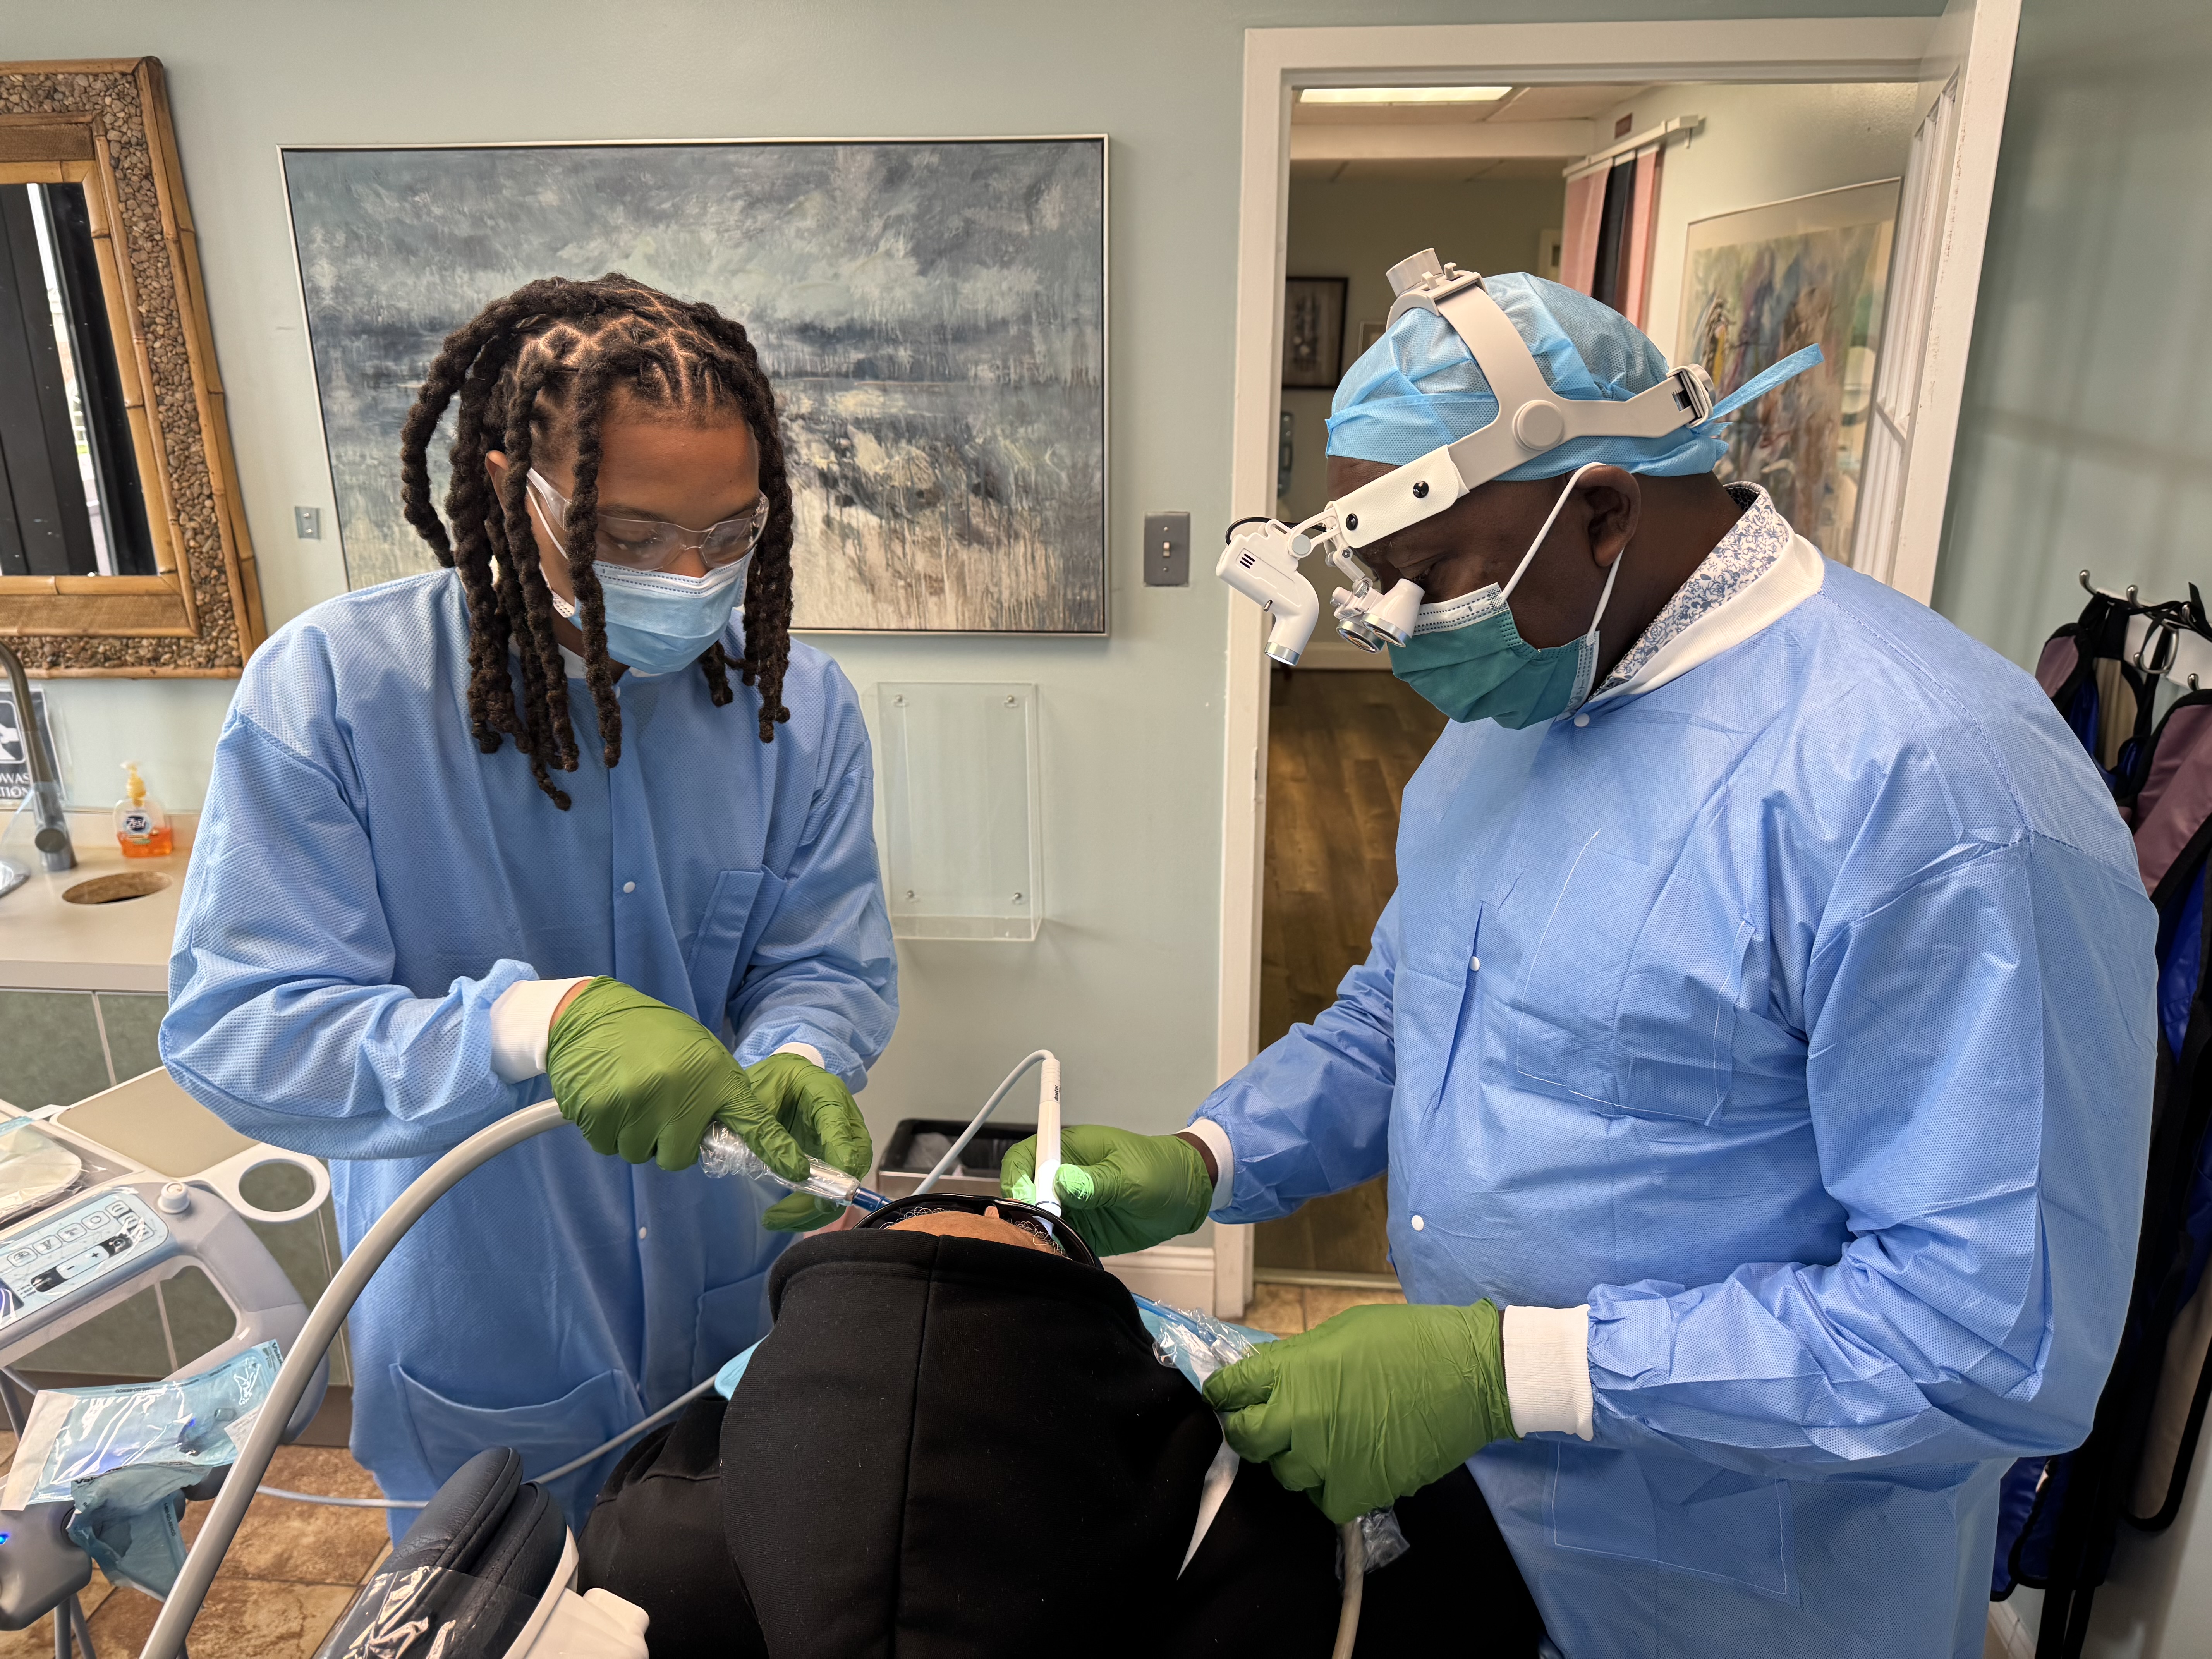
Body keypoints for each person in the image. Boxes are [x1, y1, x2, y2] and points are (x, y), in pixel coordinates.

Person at [1002, 267, 2159, 1657]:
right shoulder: (1537, 678)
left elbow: (1985, 1338)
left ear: (1601, 507)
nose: (1396, 626)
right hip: (1491, 1537)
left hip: (1755, 1584)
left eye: (1424, 577)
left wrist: (1519, 1368)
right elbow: (1408, 1010)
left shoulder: (1933, 789)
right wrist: (1210, 1156)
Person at [161, 275, 896, 1528]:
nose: (688, 571)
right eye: (631, 533)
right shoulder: (338, 693)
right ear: (513, 487)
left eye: (731, 533)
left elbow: (822, 959)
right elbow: (244, 1027)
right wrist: (531, 1024)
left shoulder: (794, 705)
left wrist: (801, 1050)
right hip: (484, 1335)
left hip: (729, 1310)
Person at [575, 1192, 1547, 1657]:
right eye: (1031, 1231)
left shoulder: (647, 1539)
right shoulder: (1307, 1520)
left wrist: (1213, 1155)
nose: (998, 1200)